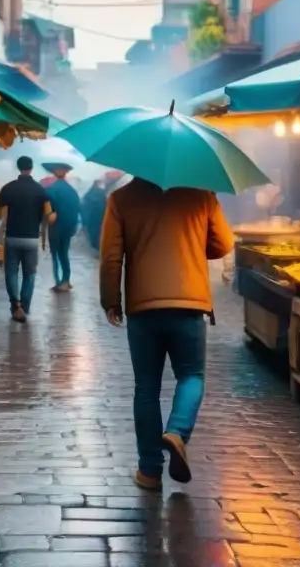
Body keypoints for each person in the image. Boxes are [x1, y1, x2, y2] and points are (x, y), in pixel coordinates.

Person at [100, 177, 234, 491]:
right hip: (189, 305)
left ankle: (149, 471)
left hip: (142, 307)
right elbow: (224, 244)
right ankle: (177, 431)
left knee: (146, 387)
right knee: (191, 375)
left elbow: (110, 256)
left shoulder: (121, 198)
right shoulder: (201, 194)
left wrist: (110, 300)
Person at [0, 156, 56, 323]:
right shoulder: (41, 191)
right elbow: (49, 217)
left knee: (11, 272)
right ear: (31, 168)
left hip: (13, 237)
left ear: (18, 167)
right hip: (31, 239)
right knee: (30, 273)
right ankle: (25, 305)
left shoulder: (8, 189)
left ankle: (15, 305)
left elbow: (3, 216)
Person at [44, 163, 82, 292]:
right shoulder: (73, 191)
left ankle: (59, 281)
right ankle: (66, 280)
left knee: (55, 254)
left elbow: (47, 209)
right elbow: (78, 209)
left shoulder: (50, 189)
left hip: (56, 226)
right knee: (64, 253)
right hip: (69, 226)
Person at [81, 180, 108, 251]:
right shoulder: (102, 194)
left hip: (91, 218)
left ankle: (95, 246)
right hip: (99, 217)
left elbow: (84, 207)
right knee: (98, 232)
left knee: (93, 232)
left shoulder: (88, 194)